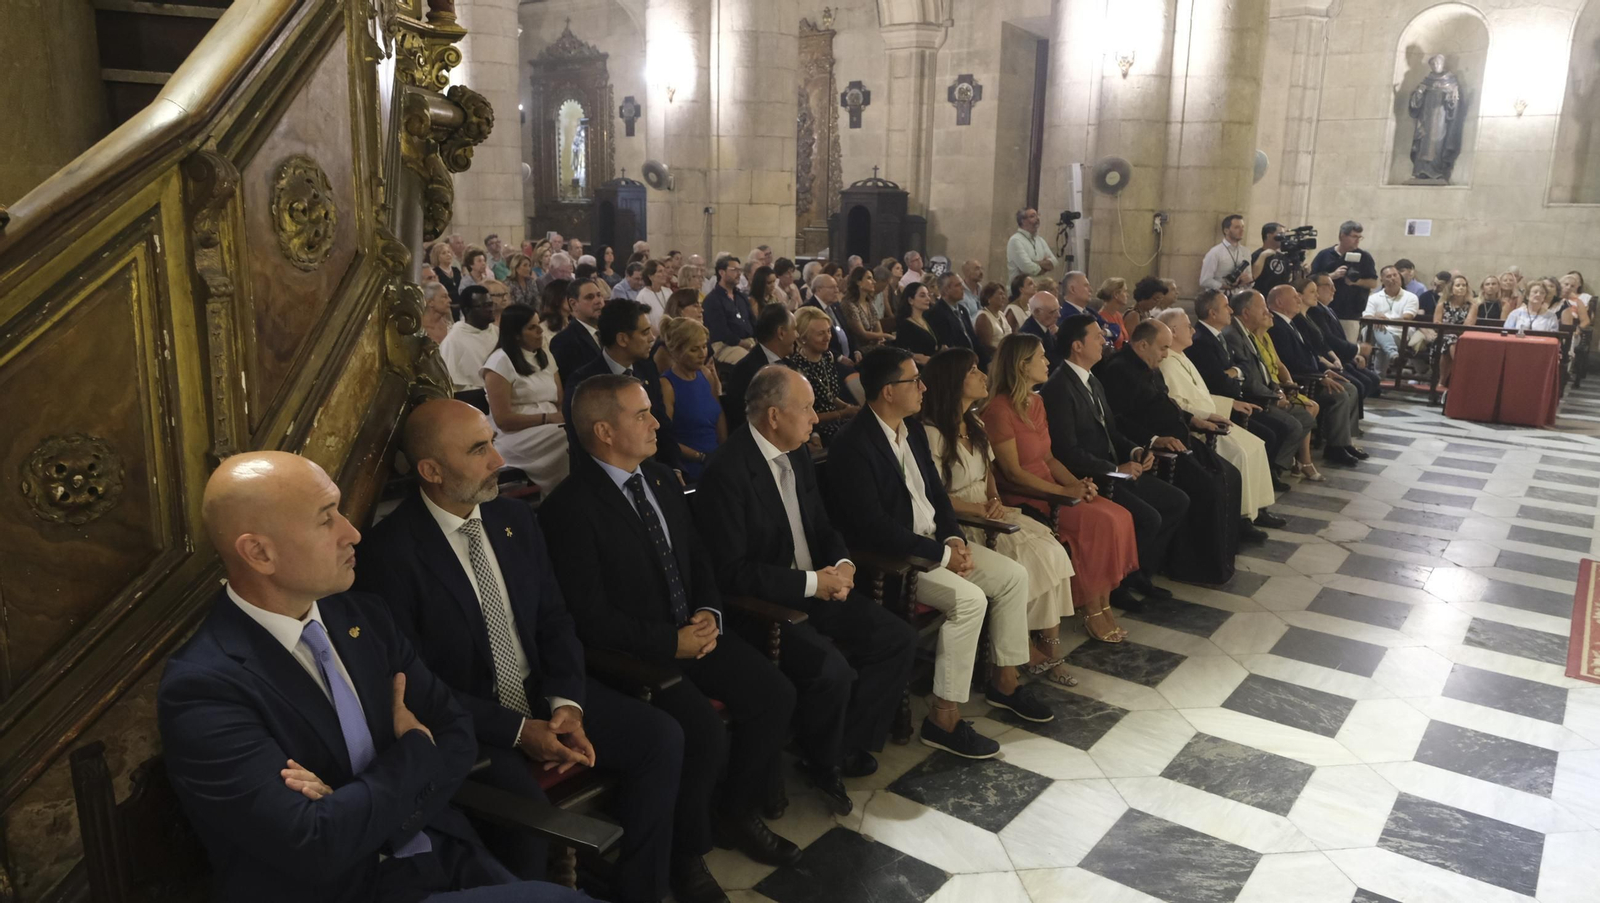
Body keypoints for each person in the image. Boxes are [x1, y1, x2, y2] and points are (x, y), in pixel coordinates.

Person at [159, 451, 587, 903]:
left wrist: (353, 804)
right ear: (259, 552)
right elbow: (316, 846)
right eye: (327, 519)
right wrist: (414, 750)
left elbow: (456, 731)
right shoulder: (204, 687)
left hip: (439, 853)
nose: (353, 532)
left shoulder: (362, 617)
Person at [357, 401, 690, 902]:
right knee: (529, 820)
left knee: (661, 737)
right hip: (473, 721)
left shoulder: (512, 517)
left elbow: (554, 619)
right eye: (478, 449)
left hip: (540, 692)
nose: (498, 460)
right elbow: (416, 682)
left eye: (492, 441)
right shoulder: (392, 553)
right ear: (431, 470)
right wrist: (517, 732)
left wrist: (566, 705)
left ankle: (639, 889)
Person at [538, 376, 804, 878]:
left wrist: (709, 613)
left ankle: (736, 811)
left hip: (693, 633)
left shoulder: (660, 477)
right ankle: (688, 852)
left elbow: (698, 559)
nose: (656, 422)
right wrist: (669, 642)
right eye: (641, 415)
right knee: (702, 732)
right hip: (637, 656)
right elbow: (589, 618)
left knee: (774, 694)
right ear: (604, 431)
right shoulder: (569, 509)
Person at [694, 367, 916, 814]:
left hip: (816, 585)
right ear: (774, 416)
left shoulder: (795, 452)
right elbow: (732, 572)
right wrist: (814, 583)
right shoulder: (728, 470)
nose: (817, 418)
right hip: (764, 607)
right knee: (831, 670)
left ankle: (841, 744)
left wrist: (845, 564)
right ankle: (825, 762)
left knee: (897, 638)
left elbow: (820, 524)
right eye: (807, 408)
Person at [824, 347, 1048, 759]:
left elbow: (938, 498)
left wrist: (953, 539)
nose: (923, 387)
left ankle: (1005, 683)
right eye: (914, 380)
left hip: (933, 547)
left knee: (1013, 576)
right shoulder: (853, 445)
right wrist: (939, 553)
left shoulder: (911, 430)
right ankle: (943, 718)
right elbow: (872, 527)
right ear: (889, 391)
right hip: (898, 562)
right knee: (969, 600)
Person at [918, 348, 1085, 675]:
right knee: (1028, 559)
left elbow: (988, 473)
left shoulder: (974, 421)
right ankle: (1017, 648)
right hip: (961, 520)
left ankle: (1048, 644)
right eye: (973, 372)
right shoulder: (930, 433)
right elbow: (935, 496)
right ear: (953, 382)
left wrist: (994, 499)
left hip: (989, 509)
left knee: (1050, 549)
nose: (983, 376)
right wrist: (980, 508)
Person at [976, 338, 1137, 645]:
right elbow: (1012, 472)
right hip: (1025, 493)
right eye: (1040, 357)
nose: (1048, 361)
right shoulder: (998, 409)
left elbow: (1049, 458)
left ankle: (1103, 603)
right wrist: (1063, 491)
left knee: (1118, 515)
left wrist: (1077, 484)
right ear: (1022, 365)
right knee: (1099, 524)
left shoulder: (1035, 402)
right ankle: (1091, 610)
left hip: (1052, 486)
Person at [1039, 315, 1190, 609]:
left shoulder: (1091, 379)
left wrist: (1135, 451)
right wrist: (1113, 469)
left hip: (1114, 471)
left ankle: (1138, 572)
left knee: (1177, 501)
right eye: (1097, 337)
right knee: (1148, 517)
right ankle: (1117, 584)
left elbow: (1111, 430)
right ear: (1078, 346)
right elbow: (1067, 451)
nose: (1105, 341)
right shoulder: (1059, 388)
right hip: (1091, 477)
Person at [1095, 320, 1252, 582]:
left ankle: (1222, 556)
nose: (1167, 354)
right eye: (1163, 347)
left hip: (1181, 439)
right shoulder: (1118, 371)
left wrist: (1193, 420)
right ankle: (1192, 565)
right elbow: (1118, 420)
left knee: (1230, 474)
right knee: (1208, 487)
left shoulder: (1151, 366)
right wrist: (1154, 439)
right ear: (1143, 344)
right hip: (1156, 451)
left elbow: (1166, 403)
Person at [1156, 308, 1284, 531]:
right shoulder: (1166, 362)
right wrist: (1207, 415)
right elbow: (1176, 403)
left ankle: (1257, 510)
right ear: (1173, 331)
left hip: (1213, 419)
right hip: (1199, 428)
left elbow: (1201, 395)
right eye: (1188, 326)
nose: (1193, 330)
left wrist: (1230, 404)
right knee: (1240, 453)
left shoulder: (1181, 356)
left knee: (1256, 444)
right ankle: (1241, 518)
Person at [1189, 288, 1305, 483]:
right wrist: (1235, 377)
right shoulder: (1202, 340)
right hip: (1223, 405)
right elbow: (1219, 382)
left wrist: (1235, 372)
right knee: (1270, 433)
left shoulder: (1217, 336)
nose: (1231, 311)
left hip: (1237, 399)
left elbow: (1242, 365)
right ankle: (1261, 482)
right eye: (1226, 306)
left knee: (1277, 430)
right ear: (1213, 313)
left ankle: (1267, 479)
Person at [565, 298, 684, 473]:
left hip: (653, 469)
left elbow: (662, 423)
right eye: (644, 333)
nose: (652, 338)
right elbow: (585, 445)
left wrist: (674, 468)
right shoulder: (585, 383)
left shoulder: (646, 367)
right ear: (622, 339)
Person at [1222, 290, 1323, 481]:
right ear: (1246, 312)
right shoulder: (1233, 334)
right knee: (1291, 425)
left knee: (1306, 417)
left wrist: (1278, 388)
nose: (1267, 312)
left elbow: (1267, 368)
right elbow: (1249, 377)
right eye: (1263, 308)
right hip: (1254, 398)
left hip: (1268, 393)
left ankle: (1276, 468)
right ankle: (1273, 472)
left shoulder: (1248, 334)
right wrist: (1274, 395)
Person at [480, 305, 570, 491]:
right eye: (531, 328)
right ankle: (563, 494)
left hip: (550, 428)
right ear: (515, 334)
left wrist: (559, 415)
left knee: (582, 432)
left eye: (539, 325)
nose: (540, 331)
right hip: (517, 436)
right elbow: (503, 420)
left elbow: (560, 400)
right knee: (570, 437)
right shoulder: (500, 362)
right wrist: (547, 418)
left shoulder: (544, 356)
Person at [660, 318, 726, 480]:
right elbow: (665, 438)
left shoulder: (706, 374)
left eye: (704, 346)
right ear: (676, 352)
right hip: (690, 467)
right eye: (694, 349)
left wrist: (724, 451)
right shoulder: (666, 385)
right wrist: (701, 457)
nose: (702, 353)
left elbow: (718, 415)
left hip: (717, 460)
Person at [788, 306, 859, 442]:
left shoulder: (828, 356)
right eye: (820, 334)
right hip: (815, 429)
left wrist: (846, 407)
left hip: (838, 420)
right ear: (803, 338)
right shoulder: (796, 368)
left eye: (828, 331)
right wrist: (841, 414)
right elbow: (803, 413)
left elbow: (828, 395)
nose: (828, 338)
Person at [1305, 273, 1381, 400]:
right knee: (1360, 384)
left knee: (1373, 379)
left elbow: (1338, 338)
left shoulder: (1329, 309)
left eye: (1333, 286)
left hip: (1340, 358)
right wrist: (1357, 349)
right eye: (1328, 286)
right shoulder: (1315, 310)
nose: (1334, 290)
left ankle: (1352, 417)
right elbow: (1328, 339)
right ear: (1316, 288)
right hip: (1330, 361)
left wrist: (1354, 354)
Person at [725, 303, 798, 430]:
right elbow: (744, 421)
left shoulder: (789, 364)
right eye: (794, 329)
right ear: (781, 333)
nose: (797, 335)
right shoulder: (746, 372)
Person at [1310, 220, 1379, 341]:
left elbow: (1373, 283)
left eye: (1359, 237)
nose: (1357, 240)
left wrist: (1355, 282)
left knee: (1347, 348)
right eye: (1354, 236)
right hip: (1322, 311)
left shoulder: (1365, 257)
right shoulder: (1325, 255)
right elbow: (1310, 280)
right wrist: (1332, 276)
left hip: (1350, 313)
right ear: (1342, 235)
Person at [1363, 265, 1422, 375]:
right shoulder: (1373, 297)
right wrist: (1376, 319)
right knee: (1377, 327)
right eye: (1389, 276)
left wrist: (1383, 320)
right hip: (1372, 332)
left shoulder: (1411, 297)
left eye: (1395, 275)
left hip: (1400, 333)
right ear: (1382, 280)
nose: (1393, 278)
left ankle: (1378, 377)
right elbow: (1367, 316)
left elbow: (1407, 317)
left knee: (1381, 341)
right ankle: (1393, 355)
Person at [440, 286, 499, 393]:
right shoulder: (453, 341)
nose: (491, 309)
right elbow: (449, 384)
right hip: (472, 399)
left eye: (491, 304)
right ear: (467, 310)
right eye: (485, 306)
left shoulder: (498, 332)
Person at [548, 277, 606, 377]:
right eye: (589, 297)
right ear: (573, 304)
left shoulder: (610, 330)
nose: (598, 301)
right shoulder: (563, 341)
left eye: (599, 295)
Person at [704, 255, 755, 364]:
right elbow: (721, 331)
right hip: (724, 345)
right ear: (721, 273)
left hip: (748, 342)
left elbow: (753, 321)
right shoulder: (712, 300)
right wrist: (744, 344)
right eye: (734, 270)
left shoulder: (741, 297)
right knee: (750, 362)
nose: (738, 274)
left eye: (739, 270)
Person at [1434, 274, 1476, 388]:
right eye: (1458, 285)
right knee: (1450, 340)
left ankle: (1442, 381)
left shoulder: (1472, 306)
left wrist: (1450, 328)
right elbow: (1437, 324)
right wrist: (1450, 329)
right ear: (1451, 288)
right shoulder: (1442, 305)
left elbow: (1468, 325)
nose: (1461, 288)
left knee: (1451, 342)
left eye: (1464, 285)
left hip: (1463, 338)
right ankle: (1461, 373)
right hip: (1443, 337)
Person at [928, 272, 981, 361]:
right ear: (946, 290)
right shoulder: (937, 313)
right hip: (957, 362)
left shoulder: (962, 310)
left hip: (972, 360)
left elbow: (973, 338)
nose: (963, 288)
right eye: (958, 285)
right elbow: (949, 344)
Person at [1199, 214, 1255, 292]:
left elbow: (1250, 281)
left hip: (1239, 298)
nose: (1242, 230)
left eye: (1242, 227)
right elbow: (1204, 280)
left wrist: (1249, 281)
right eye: (1237, 227)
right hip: (1219, 298)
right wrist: (1224, 286)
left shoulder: (1246, 252)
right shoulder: (1215, 252)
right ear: (1226, 231)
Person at [842, 265, 893, 350]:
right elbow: (863, 334)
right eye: (869, 278)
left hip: (873, 347)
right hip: (858, 350)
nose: (874, 282)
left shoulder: (869, 303)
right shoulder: (849, 304)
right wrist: (886, 335)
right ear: (859, 282)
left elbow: (878, 328)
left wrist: (880, 338)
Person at [892, 281, 941, 364]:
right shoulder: (905, 325)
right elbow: (902, 352)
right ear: (911, 300)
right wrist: (915, 356)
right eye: (922, 296)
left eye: (928, 295)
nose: (928, 298)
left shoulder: (927, 319)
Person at [1006, 208, 1057, 284]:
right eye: (1033, 216)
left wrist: (1035, 262)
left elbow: (1054, 263)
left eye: (1037, 215)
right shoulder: (1015, 240)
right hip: (1021, 291)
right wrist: (1045, 266)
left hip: (1039, 290)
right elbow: (1028, 268)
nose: (1037, 219)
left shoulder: (1040, 240)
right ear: (1023, 221)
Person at [1019, 290, 1064, 372]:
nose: (1058, 315)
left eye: (1059, 309)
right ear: (1037, 312)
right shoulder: (1029, 334)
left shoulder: (1045, 327)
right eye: (1053, 312)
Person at [1250, 222, 1294, 297]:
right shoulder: (1257, 255)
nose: (1283, 238)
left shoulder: (1283, 257)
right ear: (1269, 235)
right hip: (1263, 296)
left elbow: (1288, 280)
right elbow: (1252, 276)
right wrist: (1263, 256)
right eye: (1280, 234)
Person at [973, 281, 1012, 365]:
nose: (1004, 297)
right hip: (992, 361)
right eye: (1000, 294)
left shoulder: (1001, 314)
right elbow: (986, 347)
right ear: (988, 298)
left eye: (1004, 294)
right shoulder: (983, 317)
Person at [1095, 278, 1131, 349]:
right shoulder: (1101, 318)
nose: (1127, 295)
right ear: (1116, 294)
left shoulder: (1119, 315)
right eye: (1125, 291)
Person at [637, 259, 672, 331]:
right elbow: (646, 323)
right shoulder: (642, 297)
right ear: (650, 276)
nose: (664, 274)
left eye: (664, 271)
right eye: (660, 271)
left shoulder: (668, 292)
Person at [431, 242, 464, 309]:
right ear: (437, 256)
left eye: (449, 252)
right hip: (446, 306)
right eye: (444, 253)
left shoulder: (456, 270)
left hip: (460, 306)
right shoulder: (435, 272)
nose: (448, 255)